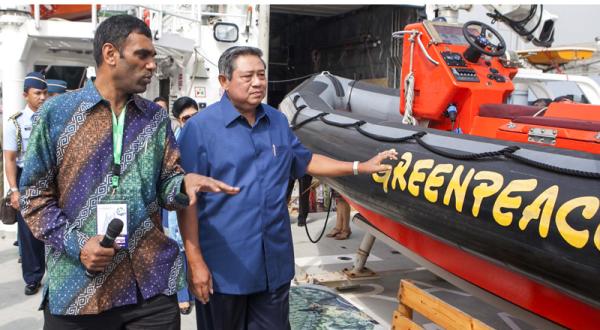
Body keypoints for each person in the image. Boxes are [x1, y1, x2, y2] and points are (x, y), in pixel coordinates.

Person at [19, 14, 239, 329]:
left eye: (153, 56)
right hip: (80, 291)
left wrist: (182, 184)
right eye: (143, 55)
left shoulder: (155, 119)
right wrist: (79, 245)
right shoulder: (56, 115)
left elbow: (166, 184)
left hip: (149, 289)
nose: (152, 65)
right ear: (110, 54)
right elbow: (34, 198)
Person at [177, 45, 398, 330]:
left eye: (261, 74)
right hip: (225, 270)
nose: (257, 82)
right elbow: (186, 200)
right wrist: (195, 262)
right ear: (224, 81)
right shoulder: (200, 129)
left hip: (274, 266)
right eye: (247, 76)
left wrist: (359, 166)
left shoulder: (277, 121)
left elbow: (305, 161)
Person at [3, 71, 48, 295]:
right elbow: (10, 159)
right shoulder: (16, 124)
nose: (42, 97)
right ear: (25, 95)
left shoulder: (51, 118)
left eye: (44, 93)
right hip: (25, 179)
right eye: (37, 93)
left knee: (51, 225)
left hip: (49, 178)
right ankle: (33, 277)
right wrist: (14, 190)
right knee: (29, 232)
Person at [163, 96, 199, 315]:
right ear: (178, 120)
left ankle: (194, 289)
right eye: (187, 118)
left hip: (200, 201)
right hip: (178, 199)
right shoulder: (174, 141)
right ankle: (182, 294)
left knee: (195, 246)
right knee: (178, 247)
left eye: (196, 116)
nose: (192, 121)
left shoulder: (208, 136)